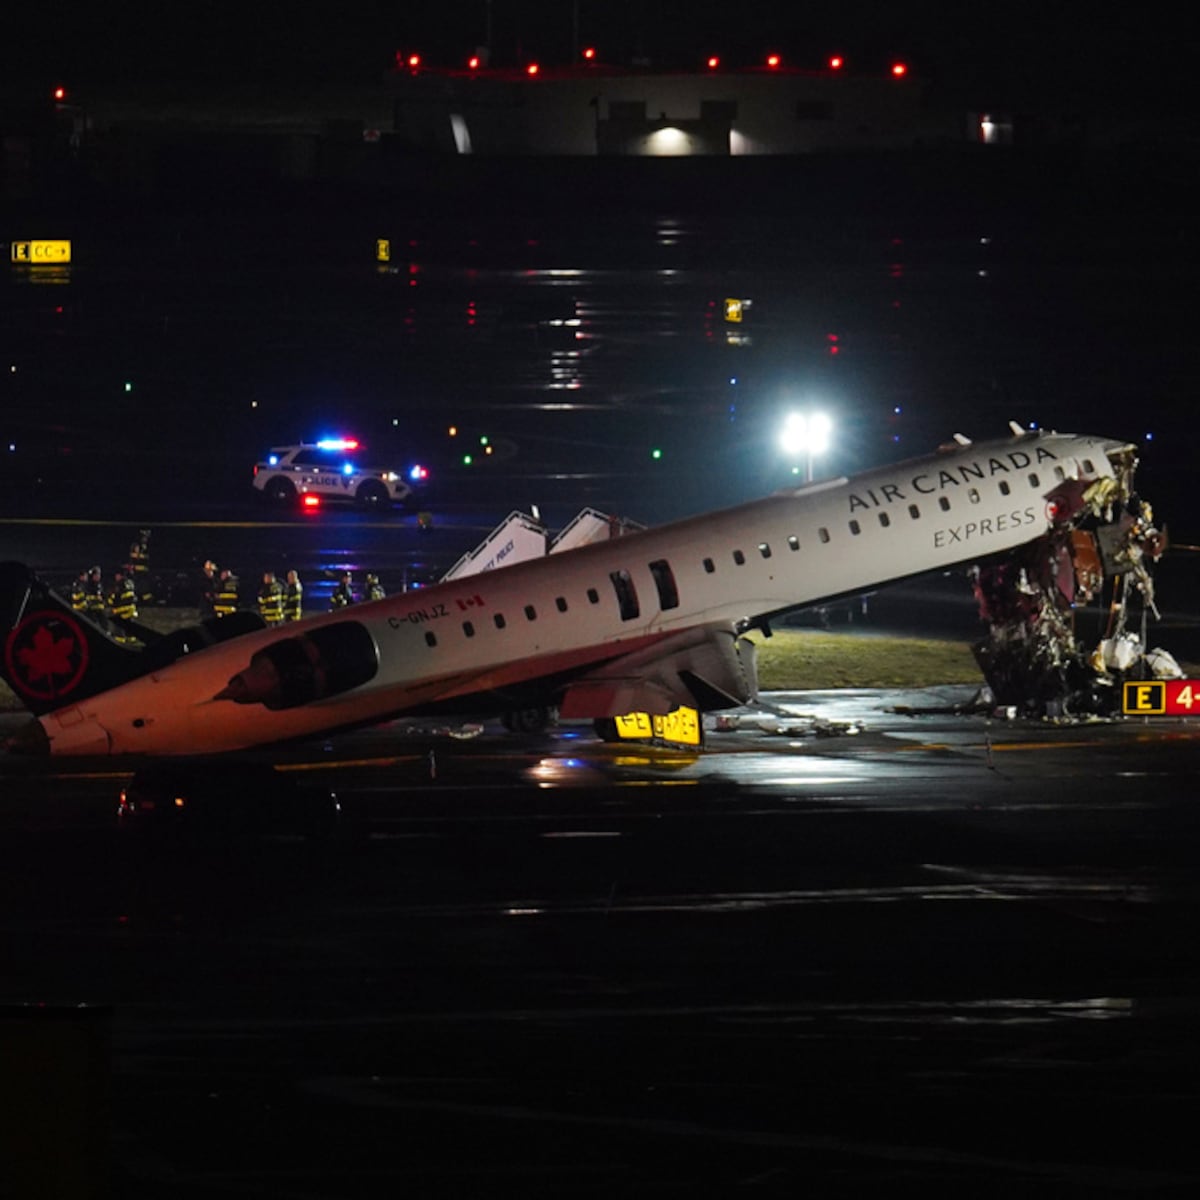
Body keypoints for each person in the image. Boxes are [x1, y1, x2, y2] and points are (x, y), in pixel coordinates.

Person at [107, 568, 139, 640]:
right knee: (129, 623)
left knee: (117, 622)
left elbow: (116, 597)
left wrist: (110, 600)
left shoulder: (119, 584)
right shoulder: (130, 582)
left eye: (117, 575)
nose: (116, 577)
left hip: (122, 608)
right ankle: (131, 637)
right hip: (131, 608)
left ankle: (119, 637)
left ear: (120, 575)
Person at [129, 529, 153, 603]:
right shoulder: (135, 546)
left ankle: (146, 600)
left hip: (143, 573)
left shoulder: (146, 547)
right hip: (137, 573)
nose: (145, 539)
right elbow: (134, 557)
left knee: (144, 587)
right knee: (137, 587)